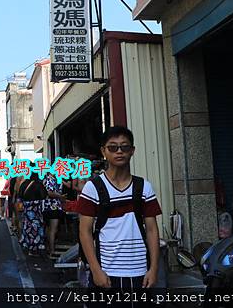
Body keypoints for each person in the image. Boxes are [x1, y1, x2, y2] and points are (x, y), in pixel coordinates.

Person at [78, 126, 161, 296]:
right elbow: (84, 232)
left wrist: (154, 269)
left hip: (141, 274)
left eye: (125, 147)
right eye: (113, 147)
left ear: (132, 151)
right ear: (104, 151)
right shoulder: (92, 188)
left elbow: (152, 230)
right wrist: (96, 270)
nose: (119, 152)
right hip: (106, 274)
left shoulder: (144, 187)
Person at [19, 173, 48, 256]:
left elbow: (20, 195)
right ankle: (34, 249)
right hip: (36, 212)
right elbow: (44, 195)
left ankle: (27, 246)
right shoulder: (38, 184)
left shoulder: (24, 184)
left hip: (26, 211)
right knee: (36, 229)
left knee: (27, 228)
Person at [43, 172, 67, 258]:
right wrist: (60, 196)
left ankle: (49, 248)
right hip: (52, 207)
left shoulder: (50, 179)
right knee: (53, 229)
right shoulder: (50, 179)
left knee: (50, 229)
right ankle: (52, 250)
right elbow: (49, 192)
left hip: (50, 207)